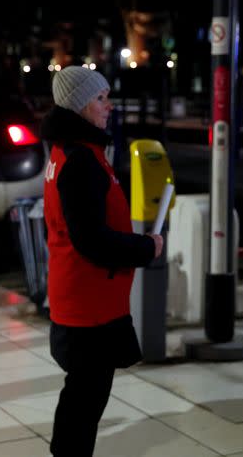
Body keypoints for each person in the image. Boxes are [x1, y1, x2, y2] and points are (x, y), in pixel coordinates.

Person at [41, 65, 163, 457]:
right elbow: (91, 240)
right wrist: (146, 247)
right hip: (88, 304)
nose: (108, 105)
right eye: (99, 98)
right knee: (84, 401)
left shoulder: (68, 152)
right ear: (78, 107)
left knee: (83, 397)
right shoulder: (82, 162)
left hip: (83, 297)